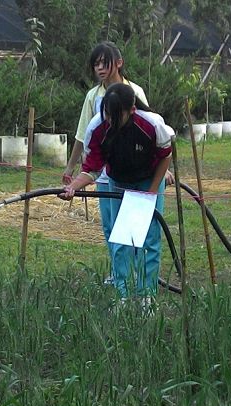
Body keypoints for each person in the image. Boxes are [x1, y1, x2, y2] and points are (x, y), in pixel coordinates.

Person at [60, 83, 174, 303]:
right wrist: (74, 186)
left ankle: (146, 296)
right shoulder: (98, 127)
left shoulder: (151, 124)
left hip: (148, 180)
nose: (110, 120)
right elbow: (92, 169)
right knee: (122, 238)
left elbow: (165, 156)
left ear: (131, 110)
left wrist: (151, 193)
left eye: (116, 115)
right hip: (118, 181)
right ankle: (122, 295)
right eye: (107, 114)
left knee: (148, 238)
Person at [62, 42, 148, 262]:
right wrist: (71, 169)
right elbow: (83, 134)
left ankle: (138, 275)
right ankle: (117, 272)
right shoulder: (93, 96)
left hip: (134, 167)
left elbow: (150, 132)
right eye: (96, 64)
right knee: (111, 224)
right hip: (103, 170)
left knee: (134, 225)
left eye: (104, 63)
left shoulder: (134, 91)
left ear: (118, 63)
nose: (100, 68)